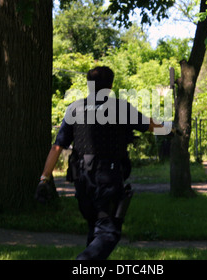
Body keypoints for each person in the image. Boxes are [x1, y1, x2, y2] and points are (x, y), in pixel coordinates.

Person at [35, 66, 163, 260]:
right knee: (109, 232)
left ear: (89, 85)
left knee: (95, 229)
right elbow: (150, 125)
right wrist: (170, 129)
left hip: (82, 180)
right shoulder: (119, 108)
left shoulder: (75, 108)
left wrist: (44, 179)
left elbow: (57, 147)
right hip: (107, 179)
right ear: (110, 86)